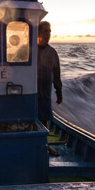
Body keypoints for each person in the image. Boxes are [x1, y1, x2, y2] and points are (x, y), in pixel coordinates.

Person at [37, 21, 62, 156]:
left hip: (45, 93)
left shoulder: (52, 52)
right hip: (30, 93)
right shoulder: (29, 50)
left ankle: (46, 147)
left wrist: (59, 92)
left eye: (49, 31)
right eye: (45, 31)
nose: (48, 34)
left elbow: (56, 75)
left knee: (44, 122)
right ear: (38, 32)